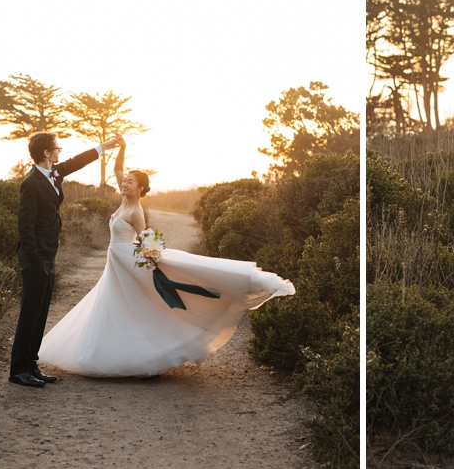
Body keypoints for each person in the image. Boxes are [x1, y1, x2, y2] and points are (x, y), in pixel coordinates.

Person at [37, 136, 295, 377]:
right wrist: (121, 149)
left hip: (128, 262)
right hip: (115, 263)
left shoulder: (135, 210)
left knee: (136, 305)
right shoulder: (124, 199)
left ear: (140, 189)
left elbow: (145, 237)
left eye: (130, 182)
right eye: (124, 180)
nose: (124, 182)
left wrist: (152, 259)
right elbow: (117, 170)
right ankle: (115, 351)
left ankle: (146, 353)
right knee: (115, 305)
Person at [9, 131, 123, 387]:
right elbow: (24, 227)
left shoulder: (55, 173)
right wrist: (37, 259)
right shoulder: (30, 182)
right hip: (35, 257)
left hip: (48, 254)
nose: (60, 152)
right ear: (46, 153)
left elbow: (77, 161)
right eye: (57, 148)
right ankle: (18, 370)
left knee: (40, 312)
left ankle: (31, 364)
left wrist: (104, 146)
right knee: (29, 313)